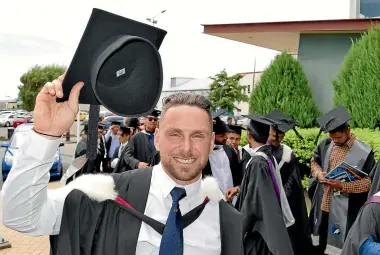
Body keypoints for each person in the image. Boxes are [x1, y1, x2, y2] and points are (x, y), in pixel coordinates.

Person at [1, 75, 243, 255]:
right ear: (157, 138)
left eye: (198, 136)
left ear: (212, 142)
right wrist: (45, 134)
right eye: (175, 134)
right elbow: (21, 217)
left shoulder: (228, 221)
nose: (187, 148)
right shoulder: (105, 195)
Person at [309, 105, 376, 255]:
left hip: (347, 212)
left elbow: (369, 183)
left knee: (341, 248)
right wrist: (319, 174)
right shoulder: (325, 145)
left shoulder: (364, 153)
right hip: (323, 207)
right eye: (332, 138)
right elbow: (314, 162)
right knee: (319, 245)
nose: (335, 141)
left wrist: (343, 186)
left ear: (348, 130)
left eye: (338, 137)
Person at [226, 114, 294, 255]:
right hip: (268, 220)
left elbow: (252, 201)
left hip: (259, 229)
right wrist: (240, 188)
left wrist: (240, 228)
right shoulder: (268, 156)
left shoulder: (257, 162)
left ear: (249, 135)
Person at [265, 109, 313, 255]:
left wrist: (281, 197)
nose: (277, 138)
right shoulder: (256, 151)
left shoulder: (287, 153)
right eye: (274, 135)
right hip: (265, 201)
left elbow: (293, 179)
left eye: (280, 135)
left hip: (286, 202)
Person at [202, 111, 242, 197]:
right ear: (212, 136)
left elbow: (238, 176)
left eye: (225, 134)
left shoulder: (230, 151)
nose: (225, 138)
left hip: (232, 199)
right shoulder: (203, 155)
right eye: (221, 135)